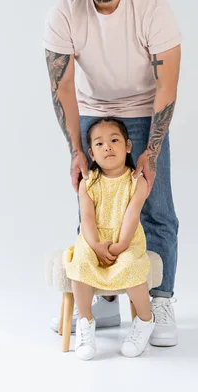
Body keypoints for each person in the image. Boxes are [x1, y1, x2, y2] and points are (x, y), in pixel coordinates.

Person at [43, 0, 181, 347]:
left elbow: (167, 86)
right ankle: (102, 299)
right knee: (94, 206)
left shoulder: (153, 9)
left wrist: (151, 151)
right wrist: (75, 151)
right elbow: (61, 86)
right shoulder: (65, 12)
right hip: (94, 114)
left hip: (144, 110)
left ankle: (158, 300)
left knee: (155, 210)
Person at [66, 116, 155, 359]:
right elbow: (87, 218)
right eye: (99, 143)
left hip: (125, 239)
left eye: (114, 140)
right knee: (81, 263)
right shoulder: (89, 182)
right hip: (94, 239)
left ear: (127, 146)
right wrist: (95, 245)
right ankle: (86, 321)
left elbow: (132, 216)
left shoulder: (136, 182)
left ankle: (145, 320)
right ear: (91, 154)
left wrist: (119, 247)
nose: (107, 146)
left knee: (131, 266)